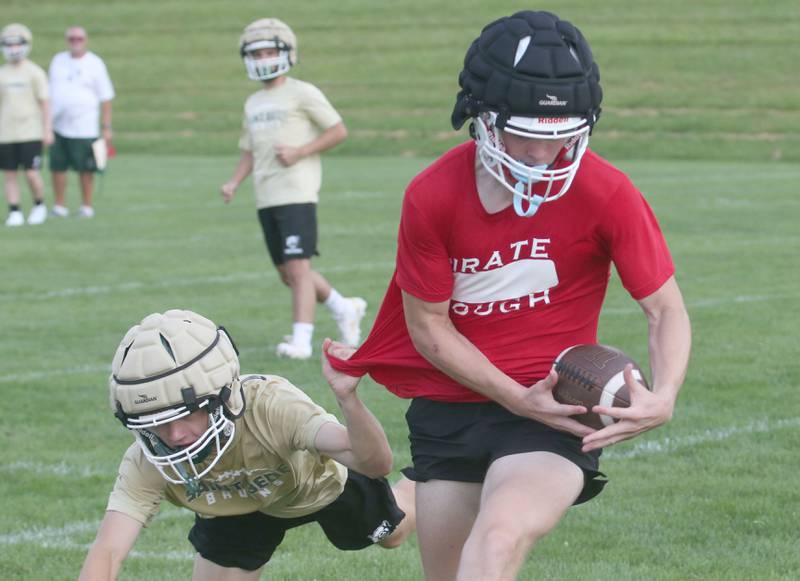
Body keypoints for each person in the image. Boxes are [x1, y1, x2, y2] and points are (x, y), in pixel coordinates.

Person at [327, 10, 692, 581]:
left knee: (497, 539)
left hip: (554, 409)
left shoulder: (606, 191)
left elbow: (664, 306)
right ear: (484, 119)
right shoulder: (432, 195)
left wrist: (665, 392)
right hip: (451, 408)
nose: (542, 156)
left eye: (561, 137)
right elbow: (428, 327)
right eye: (526, 134)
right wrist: (513, 396)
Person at [78, 309, 415, 580]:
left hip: (316, 484)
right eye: (155, 423)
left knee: (393, 536)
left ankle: (420, 483)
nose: (175, 435)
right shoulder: (149, 458)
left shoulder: (271, 406)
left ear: (222, 395)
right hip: (236, 503)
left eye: (185, 415)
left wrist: (348, 399)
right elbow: (108, 550)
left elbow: (374, 464)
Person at [220, 18, 365, 360]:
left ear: (286, 52)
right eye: (256, 53)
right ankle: (344, 307)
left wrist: (300, 152)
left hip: (296, 193)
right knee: (289, 274)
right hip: (266, 196)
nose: (263, 58)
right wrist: (233, 181)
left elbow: (338, 130)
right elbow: (249, 150)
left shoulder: (302, 92)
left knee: (299, 270)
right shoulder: (253, 102)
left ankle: (301, 341)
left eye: (269, 51)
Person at [48, 26, 114, 218]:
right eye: (72, 39)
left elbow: (106, 97)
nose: (75, 42)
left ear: (85, 40)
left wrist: (106, 126)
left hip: (85, 127)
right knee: (58, 167)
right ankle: (60, 205)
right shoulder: (58, 61)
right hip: (58, 125)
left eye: (79, 38)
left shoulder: (95, 63)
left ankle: (86, 205)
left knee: (85, 168)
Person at [0, 23, 52, 227]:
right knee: (10, 174)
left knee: (31, 173)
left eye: (17, 44)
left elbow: (45, 103)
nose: (13, 49)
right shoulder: (2, 73)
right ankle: (15, 211)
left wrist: (47, 129)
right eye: (9, 45)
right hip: (5, 133)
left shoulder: (34, 72)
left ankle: (39, 205)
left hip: (30, 132)